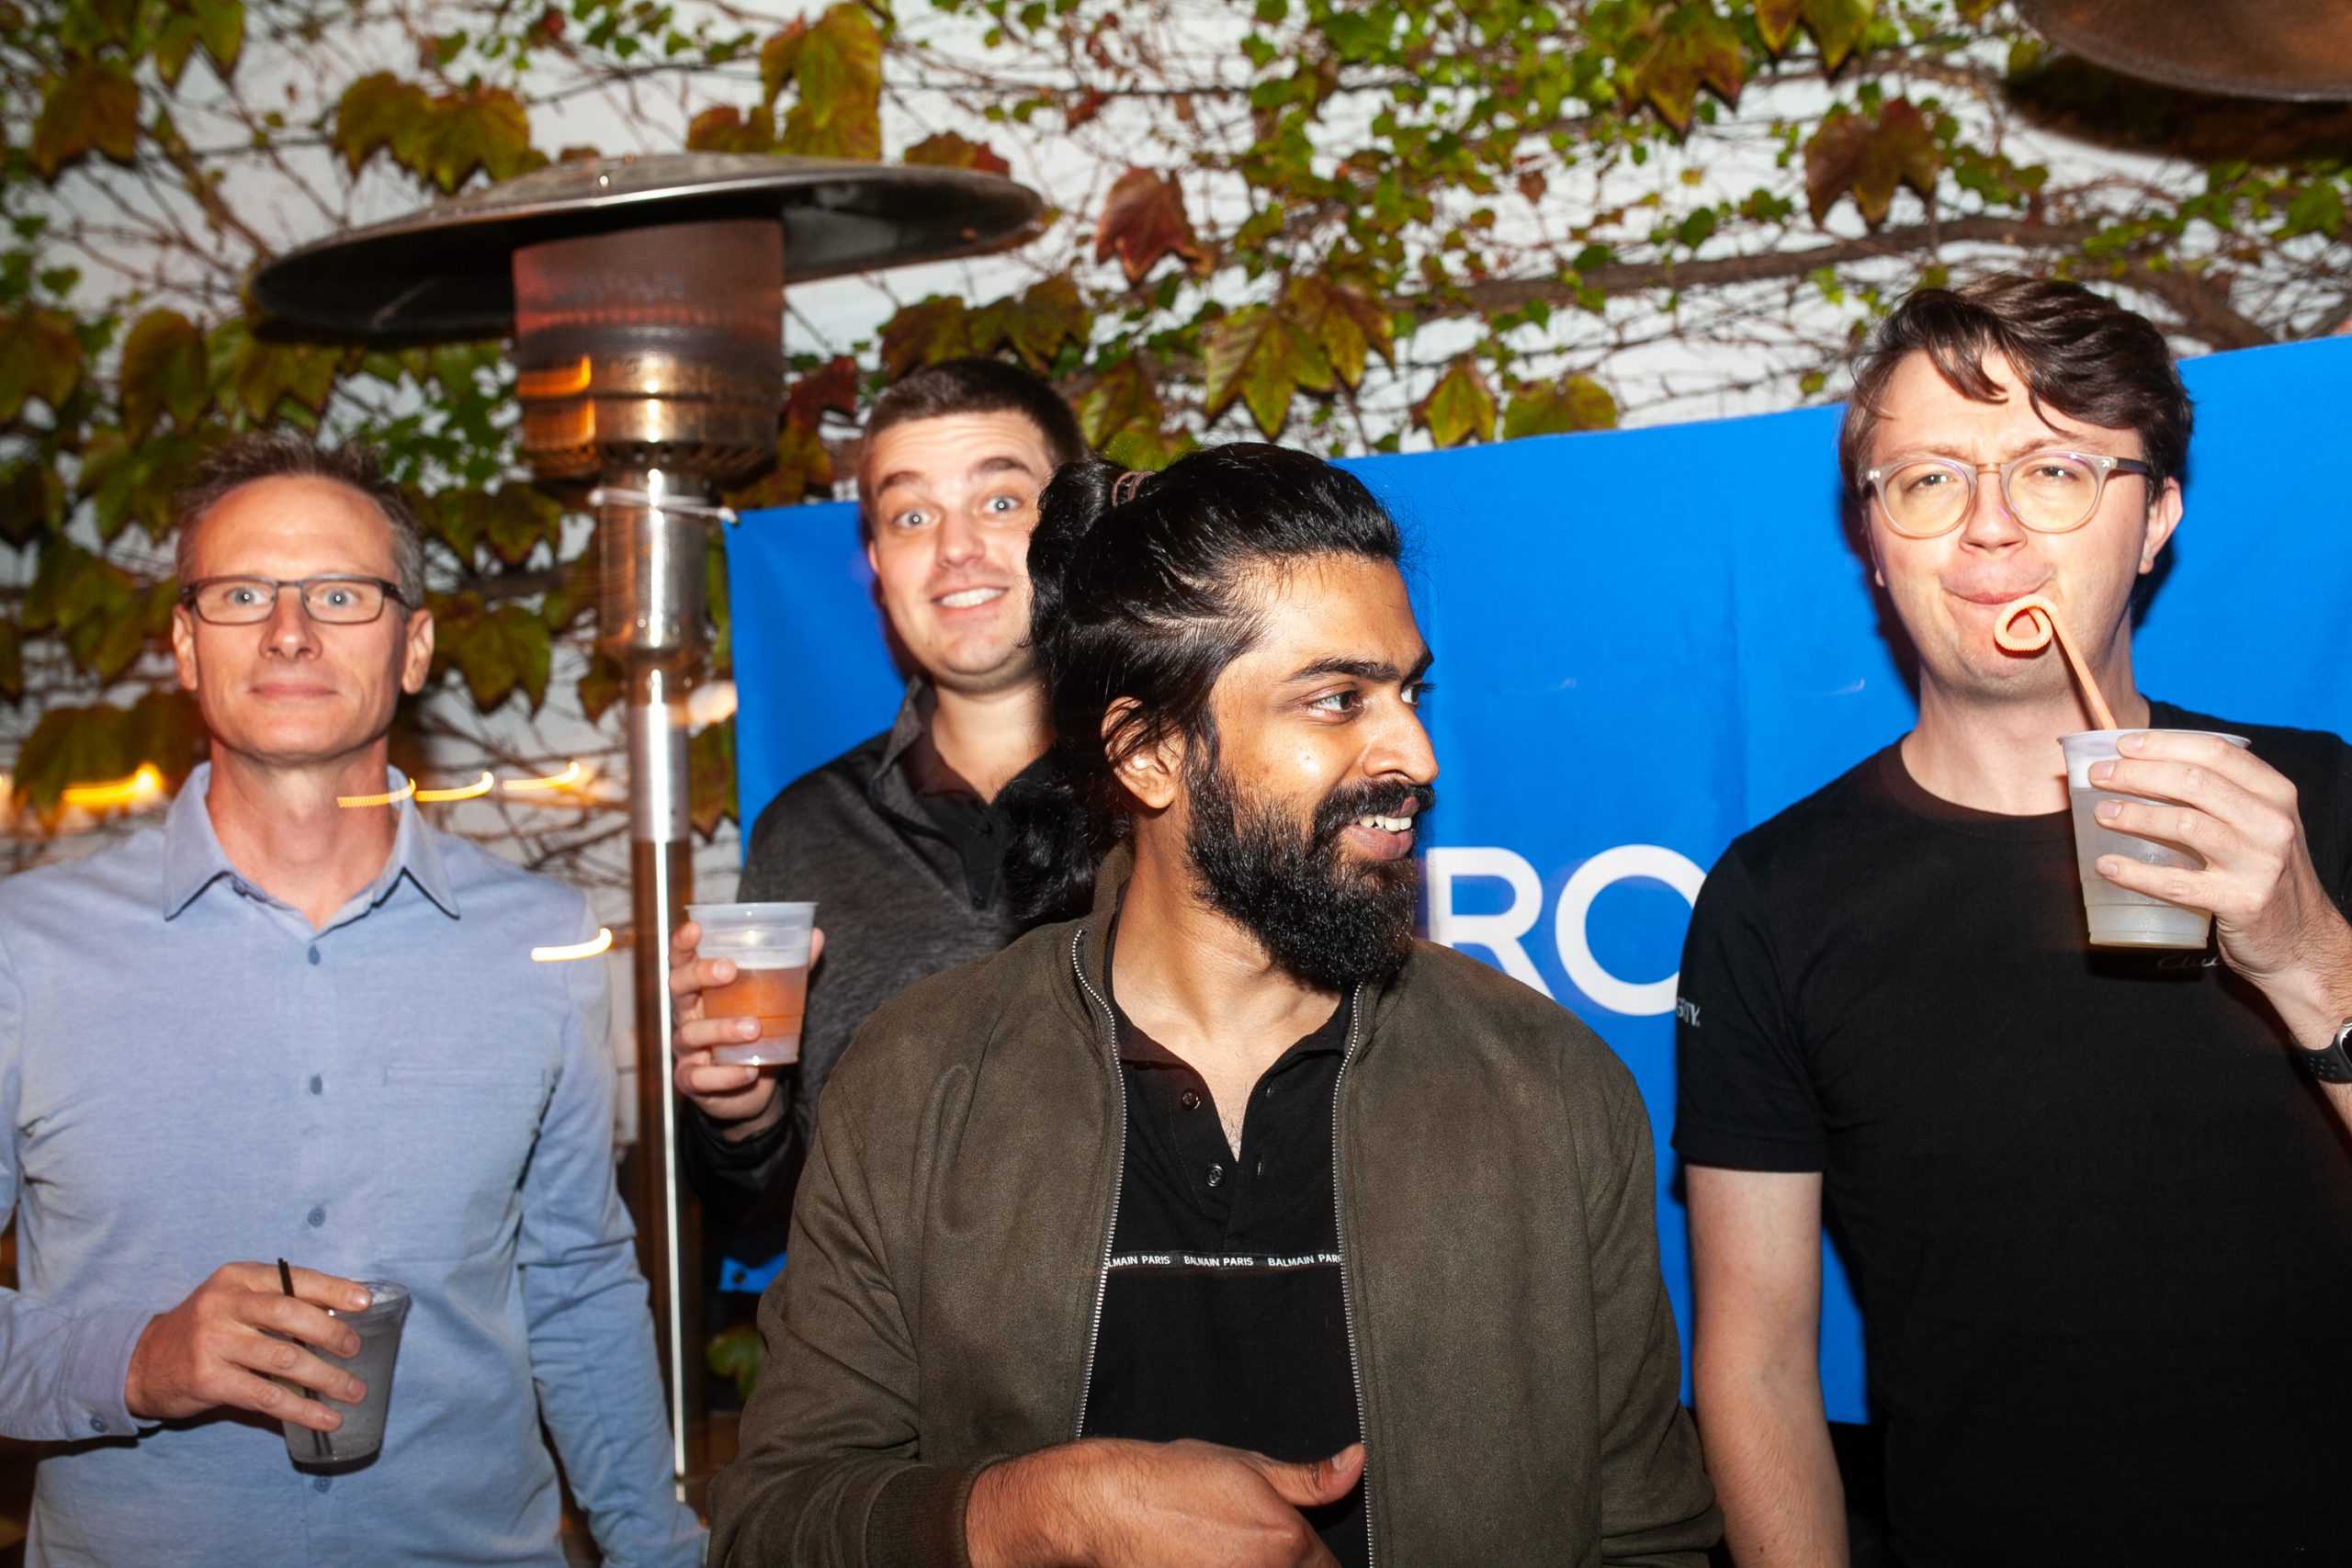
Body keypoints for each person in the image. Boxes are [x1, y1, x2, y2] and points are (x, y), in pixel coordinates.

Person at [707, 444, 1719, 1567]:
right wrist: (1034, 1514)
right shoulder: (918, 1082)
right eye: (1337, 700)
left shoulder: (1547, 1085)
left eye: (1406, 692)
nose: (1415, 754)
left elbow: (1647, 1537)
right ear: (1148, 756)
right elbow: (771, 1528)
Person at [1675, 276, 2352, 1568]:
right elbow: (1755, 1356)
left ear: (2155, 516)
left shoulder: (2322, 801)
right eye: (1929, 480)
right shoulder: (1774, 895)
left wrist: (2311, 954)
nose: (1991, 529)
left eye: (2054, 470)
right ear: (1873, 536)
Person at [0, 432, 702, 1567]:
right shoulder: (26, 951)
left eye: (338, 592)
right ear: (184, 644)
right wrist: (138, 1360)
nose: (289, 631)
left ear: (414, 645)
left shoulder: (544, 941)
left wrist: (655, 1549)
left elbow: (573, 1283)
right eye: (240, 594)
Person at [673, 357, 1086, 1220]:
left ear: (1076, 527)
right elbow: (765, 1212)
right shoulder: (806, 827)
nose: (956, 547)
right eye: (911, 515)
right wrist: (740, 1118)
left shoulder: (1179, 798)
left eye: (1001, 501)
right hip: (878, 1354)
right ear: (877, 563)